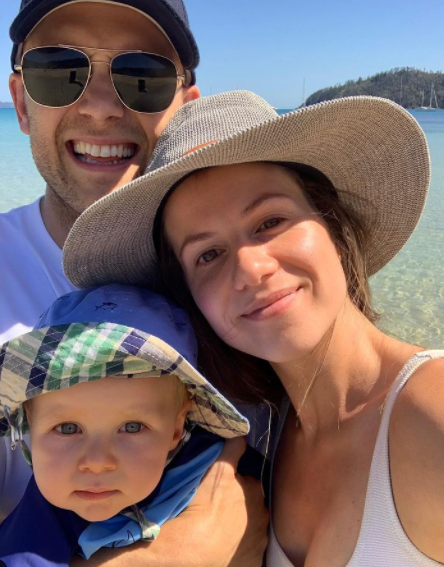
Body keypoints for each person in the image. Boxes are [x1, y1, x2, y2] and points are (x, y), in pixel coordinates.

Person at [63, 91, 444, 566]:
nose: (249, 269)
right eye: (208, 254)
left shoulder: (431, 414)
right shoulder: (250, 435)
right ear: (191, 301)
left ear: (333, 226)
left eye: (270, 221)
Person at [0, 3, 268, 566]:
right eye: (59, 70)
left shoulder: (247, 277)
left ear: (185, 110)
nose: (103, 108)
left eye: (143, 77)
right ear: (20, 101)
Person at [0, 284, 250, 565]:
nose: (96, 462)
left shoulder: (220, 471)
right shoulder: (45, 517)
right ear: (30, 424)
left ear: (177, 430)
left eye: (132, 427)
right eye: (68, 428)